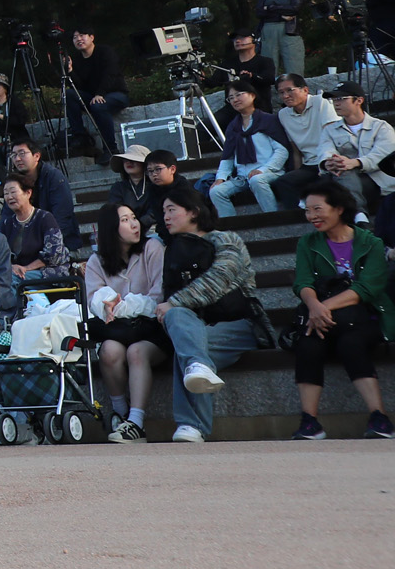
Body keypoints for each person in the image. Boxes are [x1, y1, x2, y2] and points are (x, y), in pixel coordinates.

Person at [156, 184, 274, 443]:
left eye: (172, 210)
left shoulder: (227, 239)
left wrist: (173, 302)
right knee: (180, 324)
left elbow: (218, 280)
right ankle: (199, 369)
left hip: (239, 324)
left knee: (187, 347)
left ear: (194, 212)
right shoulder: (174, 249)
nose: (165, 217)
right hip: (197, 325)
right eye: (163, 211)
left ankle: (191, 425)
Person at [289, 180, 395, 440]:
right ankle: (309, 422)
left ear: (338, 208)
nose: (311, 216)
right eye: (307, 210)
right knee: (307, 345)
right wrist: (314, 306)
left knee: (352, 343)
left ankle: (379, 417)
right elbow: (302, 282)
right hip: (322, 317)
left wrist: (321, 308)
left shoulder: (370, 242)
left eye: (317, 209)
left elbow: (368, 288)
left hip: (365, 316)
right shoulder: (308, 242)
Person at [85, 201, 168, 442]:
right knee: (109, 351)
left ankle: (137, 422)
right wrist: (108, 303)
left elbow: (158, 298)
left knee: (136, 352)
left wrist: (119, 306)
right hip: (120, 331)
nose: (134, 224)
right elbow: (95, 299)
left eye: (134, 218)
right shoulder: (96, 261)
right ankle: (121, 414)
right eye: (125, 220)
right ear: (111, 228)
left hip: (153, 329)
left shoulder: (152, 248)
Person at [209, 79, 289, 217]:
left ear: (252, 95)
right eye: (231, 98)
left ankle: (274, 218)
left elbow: (282, 150)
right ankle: (231, 227)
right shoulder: (233, 127)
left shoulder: (268, 120)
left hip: (270, 171)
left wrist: (262, 170)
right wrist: (220, 177)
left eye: (239, 94)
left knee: (257, 180)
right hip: (242, 177)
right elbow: (228, 156)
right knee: (216, 191)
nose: (235, 100)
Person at [318, 82, 395, 213]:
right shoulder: (329, 130)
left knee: (339, 180)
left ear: (359, 100)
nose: (336, 103)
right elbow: (325, 150)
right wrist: (329, 162)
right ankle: (359, 216)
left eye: (341, 99)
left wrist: (354, 163)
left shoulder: (381, 127)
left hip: (375, 180)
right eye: (334, 100)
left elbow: (382, 155)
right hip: (343, 177)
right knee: (342, 173)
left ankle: (357, 215)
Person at [273, 74, 341, 207]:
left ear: (305, 90)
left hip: (329, 160)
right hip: (309, 164)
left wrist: (328, 164)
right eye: (281, 92)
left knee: (323, 185)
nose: (285, 96)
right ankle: (300, 217)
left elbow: (332, 137)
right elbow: (296, 150)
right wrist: (296, 172)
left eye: (289, 90)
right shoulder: (283, 114)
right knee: (283, 182)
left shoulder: (321, 102)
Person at [63, 24, 127, 159]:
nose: (78, 39)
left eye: (82, 35)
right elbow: (79, 86)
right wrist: (70, 71)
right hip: (92, 97)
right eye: (75, 37)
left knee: (98, 105)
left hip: (116, 94)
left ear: (91, 37)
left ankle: (110, 149)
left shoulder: (105, 51)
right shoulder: (77, 59)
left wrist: (100, 93)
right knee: (69, 94)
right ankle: (80, 136)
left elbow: (111, 74)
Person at [8, 139, 84, 252]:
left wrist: (42, 243)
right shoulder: (14, 182)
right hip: (27, 245)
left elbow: (62, 217)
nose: (17, 158)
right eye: (14, 155)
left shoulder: (54, 177)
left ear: (37, 156)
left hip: (60, 244)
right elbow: (7, 216)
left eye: (22, 153)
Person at [0, 175, 68, 286]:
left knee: (10, 280)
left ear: (28, 193)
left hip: (47, 273)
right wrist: (12, 266)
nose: (9, 197)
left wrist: (26, 268)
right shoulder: (6, 224)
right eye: (6, 193)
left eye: (13, 192)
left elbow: (53, 255)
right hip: (17, 272)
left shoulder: (45, 218)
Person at [255, 0, 306, 77]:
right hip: (268, 29)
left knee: (294, 64)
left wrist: (270, 8)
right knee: (269, 66)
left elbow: (295, 8)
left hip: (289, 30)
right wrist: (281, 13)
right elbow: (259, 12)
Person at [210, 29, 277, 114]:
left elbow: (269, 79)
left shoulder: (265, 61)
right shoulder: (227, 63)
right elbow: (213, 82)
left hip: (258, 108)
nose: (237, 41)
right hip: (233, 109)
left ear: (254, 40)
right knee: (205, 126)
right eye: (235, 39)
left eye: (242, 38)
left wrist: (252, 76)